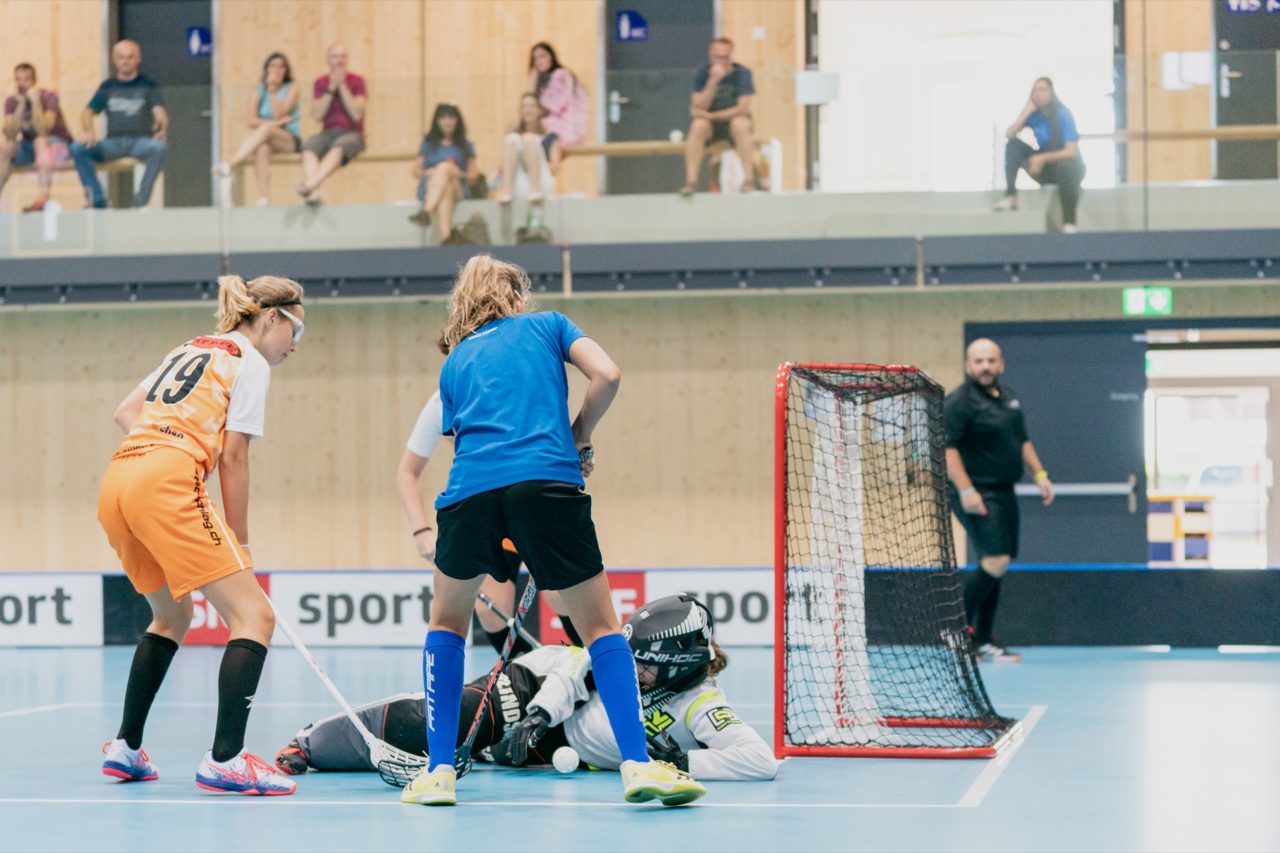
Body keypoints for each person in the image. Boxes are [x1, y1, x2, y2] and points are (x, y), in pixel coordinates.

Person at [399, 255, 705, 807]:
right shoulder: (550, 325)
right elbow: (607, 375)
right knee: (601, 628)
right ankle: (638, 765)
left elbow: (469, 437)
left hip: (468, 493)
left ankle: (439, 772)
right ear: (516, 297)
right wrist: (578, 435)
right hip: (547, 486)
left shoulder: (454, 362)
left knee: (446, 624)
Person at [97, 273, 306, 796]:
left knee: (172, 614)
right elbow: (234, 456)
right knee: (254, 614)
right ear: (272, 318)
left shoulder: (190, 346)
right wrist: (242, 540)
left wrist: (163, 448)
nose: (293, 348)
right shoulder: (250, 362)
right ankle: (226, 760)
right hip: (164, 480)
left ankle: (125, 748)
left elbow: (127, 412)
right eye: (295, 333)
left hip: (120, 478)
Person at [274, 594, 777, 782]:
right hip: (538, 685)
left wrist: (684, 762)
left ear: (675, 665)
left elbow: (760, 761)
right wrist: (537, 715)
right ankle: (312, 740)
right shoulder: (612, 666)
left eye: (642, 665)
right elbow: (572, 673)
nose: (630, 671)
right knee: (444, 724)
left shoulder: (703, 706)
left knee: (467, 746)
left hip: (555, 750)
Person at [396, 385, 581, 652]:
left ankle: (595, 672)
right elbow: (407, 473)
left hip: (532, 499)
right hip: (489, 510)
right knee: (490, 608)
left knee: (561, 592)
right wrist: (421, 531)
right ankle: (524, 678)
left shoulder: (515, 380)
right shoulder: (443, 400)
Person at [944, 338, 1054, 663]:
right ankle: (956, 629)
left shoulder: (1009, 399)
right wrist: (966, 491)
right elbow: (948, 450)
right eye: (979, 361)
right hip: (976, 491)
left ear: (1001, 364)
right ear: (968, 366)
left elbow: (1021, 441)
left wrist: (1041, 475)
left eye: (991, 360)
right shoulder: (959, 402)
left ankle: (982, 641)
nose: (986, 367)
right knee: (995, 558)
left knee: (998, 565)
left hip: (1004, 491)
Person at [71, 40, 168, 209]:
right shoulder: (107, 86)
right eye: (121, 57)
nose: (125, 61)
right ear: (114, 60)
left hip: (140, 142)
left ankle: (140, 201)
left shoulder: (148, 85)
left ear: (138, 59)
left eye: (130, 57)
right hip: (112, 143)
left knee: (159, 148)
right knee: (77, 148)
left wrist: (161, 127)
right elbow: (87, 112)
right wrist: (89, 131)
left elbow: (160, 112)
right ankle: (98, 199)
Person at [994, 77, 1086, 233]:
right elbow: (1009, 134)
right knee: (1013, 146)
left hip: (1066, 168)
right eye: (1035, 90)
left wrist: (1041, 158)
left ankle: (1069, 223)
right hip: (1044, 169)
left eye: (1042, 90)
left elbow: (1071, 151)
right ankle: (1011, 196)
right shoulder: (1034, 115)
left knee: (1067, 167)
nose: (1038, 94)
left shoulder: (1063, 114)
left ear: (1051, 92)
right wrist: (1026, 111)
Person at [215, 52, 301, 207]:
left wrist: (273, 92)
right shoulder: (258, 90)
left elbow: (280, 113)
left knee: (266, 128)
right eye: (273, 66)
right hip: (268, 137)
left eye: (281, 67)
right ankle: (263, 198)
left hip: (289, 139)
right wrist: (274, 123)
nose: (277, 70)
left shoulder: (291, 88)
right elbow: (250, 120)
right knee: (261, 148)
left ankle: (231, 164)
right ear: (266, 69)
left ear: (286, 70)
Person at [295, 43, 366, 206]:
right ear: (328, 60)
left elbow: (356, 114)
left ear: (347, 60)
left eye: (343, 56)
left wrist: (342, 86)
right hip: (327, 133)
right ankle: (314, 193)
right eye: (335, 56)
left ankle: (310, 185)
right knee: (309, 147)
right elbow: (318, 115)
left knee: (338, 147)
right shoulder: (320, 83)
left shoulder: (357, 81)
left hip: (352, 133)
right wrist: (331, 88)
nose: (339, 60)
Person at [682, 37, 755, 197]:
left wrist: (711, 115)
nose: (721, 61)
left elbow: (742, 108)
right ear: (711, 56)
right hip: (710, 126)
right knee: (698, 125)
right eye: (717, 57)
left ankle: (749, 180)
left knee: (741, 124)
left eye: (725, 57)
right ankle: (691, 182)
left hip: (731, 123)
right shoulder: (702, 74)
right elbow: (697, 106)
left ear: (732, 55)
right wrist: (713, 80)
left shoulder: (742, 73)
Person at [0, 63, 73, 212]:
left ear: (34, 80)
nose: (22, 84)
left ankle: (42, 198)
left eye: (27, 79)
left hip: (57, 145)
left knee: (40, 140)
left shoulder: (49, 96)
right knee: (6, 146)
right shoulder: (12, 101)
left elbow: (44, 129)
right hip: (31, 147)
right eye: (19, 79)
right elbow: (9, 133)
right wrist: (20, 107)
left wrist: (35, 102)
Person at [407, 103, 479, 244]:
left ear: (457, 121)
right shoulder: (428, 143)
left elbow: (474, 175)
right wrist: (430, 172)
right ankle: (446, 239)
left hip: (459, 188)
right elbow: (415, 171)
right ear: (437, 121)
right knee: (446, 186)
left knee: (446, 167)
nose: (447, 121)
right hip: (432, 187)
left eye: (451, 118)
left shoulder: (465, 145)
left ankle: (426, 212)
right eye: (443, 118)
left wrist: (457, 173)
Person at [497, 93, 561, 206]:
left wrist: (533, 159)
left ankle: (535, 190)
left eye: (532, 106)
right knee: (511, 139)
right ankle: (506, 191)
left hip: (541, 178)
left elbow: (554, 168)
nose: (528, 110)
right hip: (519, 179)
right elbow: (501, 168)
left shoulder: (550, 137)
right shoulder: (513, 137)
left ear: (539, 110)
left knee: (528, 140)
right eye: (524, 106)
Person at [527, 42, 588, 148]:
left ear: (551, 57)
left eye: (542, 56)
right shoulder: (543, 81)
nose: (538, 61)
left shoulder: (561, 75)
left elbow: (551, 107)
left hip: (566, 129)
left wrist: (532, 82)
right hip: (555, 127)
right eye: (535, 58)